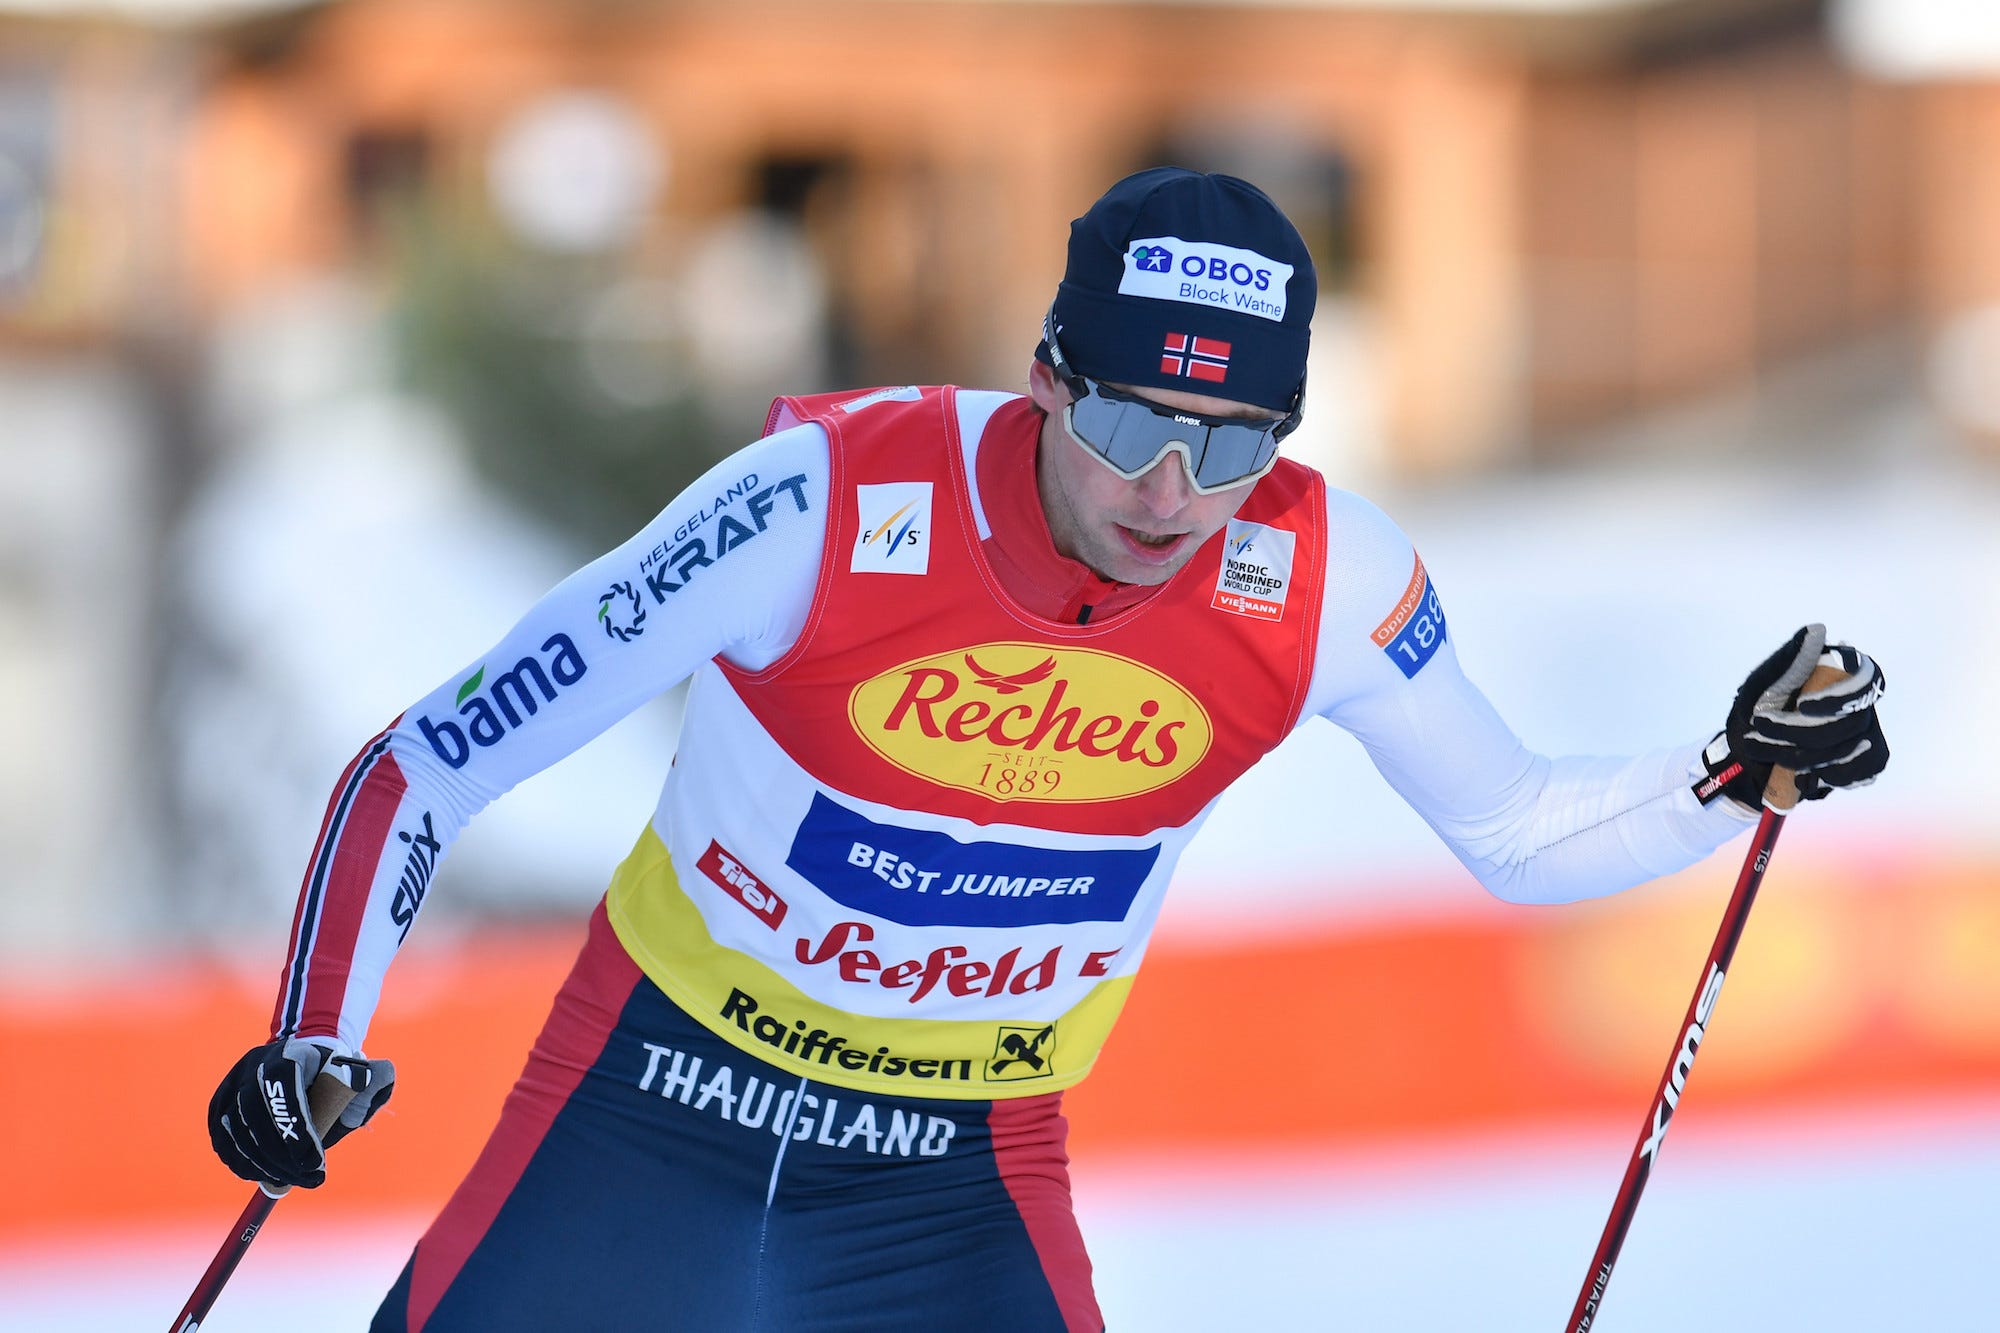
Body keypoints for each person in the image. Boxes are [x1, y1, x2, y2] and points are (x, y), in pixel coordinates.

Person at [205, 168, 1888, 1331]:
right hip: (653, 1111)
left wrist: (1736, 768)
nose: (1170, 491)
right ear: (1043, 381)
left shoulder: (1318, 575)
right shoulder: (814, 510)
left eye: (1233, 445)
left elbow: (1517, 832)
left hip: (956, 1174)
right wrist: (310, 1037)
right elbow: (425, 764)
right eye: (1133, 422)